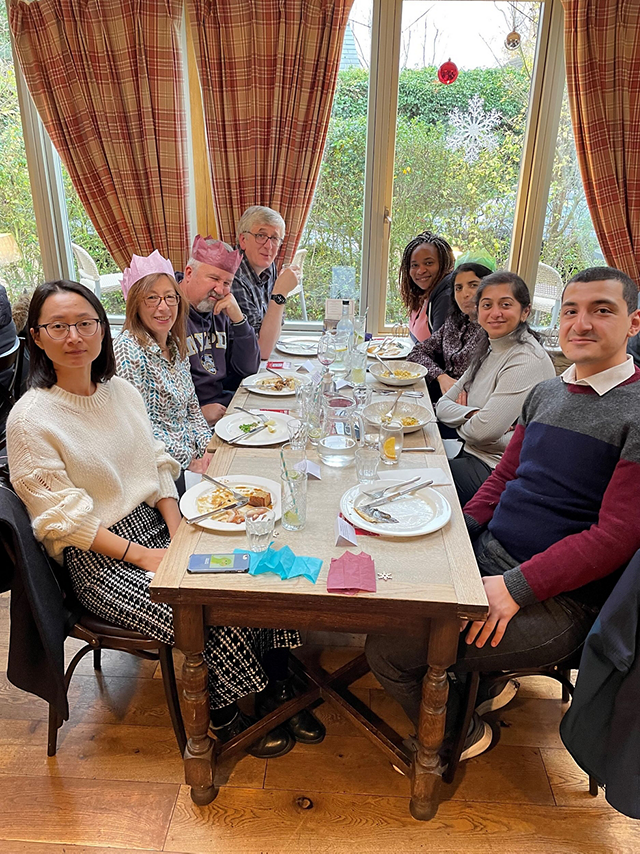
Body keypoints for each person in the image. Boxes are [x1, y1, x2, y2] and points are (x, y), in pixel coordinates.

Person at [6, 279, 323, 757]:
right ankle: (223, 708)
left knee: (252, 567)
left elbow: (155, 465)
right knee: (208, 607)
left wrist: (177, 532)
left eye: (84, 324)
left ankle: (277, 676)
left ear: (101, 329)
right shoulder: (31, 419)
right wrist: (148, 556)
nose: (74, 337)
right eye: (58, 326)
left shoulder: (120, 392)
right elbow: (65, 521)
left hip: (160, 523)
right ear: (36, 336)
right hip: (101, 557)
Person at [366, 266, 640, 762]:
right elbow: (502, 478)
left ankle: (460, 731)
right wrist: (459, 532)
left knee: (388, 650)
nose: (581, 324)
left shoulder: (635, 414)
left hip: (562, 600)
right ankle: (481, 683)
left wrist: (515, 586)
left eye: (603, 311)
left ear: (633, 323)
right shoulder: (548, 392)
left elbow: (614, 537)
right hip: (492, 553)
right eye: (572, 311)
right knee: (389, 583)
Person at [436, 271, 555, 507]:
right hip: (473, 454)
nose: (495, 313)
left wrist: (468, 420)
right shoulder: (489, 348)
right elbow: (441, 407)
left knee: (423, 485)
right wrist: (472, 414)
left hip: (499, 472)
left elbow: (483, 433)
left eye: (506, 304)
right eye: (487, 305)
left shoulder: (525, 359)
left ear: (525, 311)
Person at [114, 251, 212, 484]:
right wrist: (189, 462)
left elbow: (193, 410)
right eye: (152, 298)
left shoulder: (175, 345)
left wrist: (209, 449)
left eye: (170, 297)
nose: (164, 307)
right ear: (135, 304)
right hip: (163, 470)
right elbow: (139, 429)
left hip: (195, 458)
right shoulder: (127, 351)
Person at [181, 236, 261, 425]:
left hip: (225, 409)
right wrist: (196, 414)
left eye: (227, 283)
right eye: (214, 278)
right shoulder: (167, 312)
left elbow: (248, 369)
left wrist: (239, 320)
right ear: (189, 273)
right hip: (191, 420)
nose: (219, 289)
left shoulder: (220, 308)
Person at [406, 262, 491, 400]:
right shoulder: (454, 322)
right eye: (458, 288)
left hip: (469, 406)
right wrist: (441, 377)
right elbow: (416, 353)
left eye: (473, 285)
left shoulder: (492, 331)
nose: (465, 294)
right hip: (440, 397)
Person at [232, 205, 301, 360]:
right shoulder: (232, 276)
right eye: (261, 236)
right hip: (235, 374)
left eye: (275, 238)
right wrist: (280, 293)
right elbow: (261, 350)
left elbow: (274, 332)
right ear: (243, 240)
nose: (269, 246)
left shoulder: (269, 269)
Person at [399, 231, 455, 343]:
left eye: (429, 263)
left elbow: (439, 353)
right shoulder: (422, 294)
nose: (421, 271)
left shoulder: (446, 298)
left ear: (444, 264)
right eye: (415, 265)